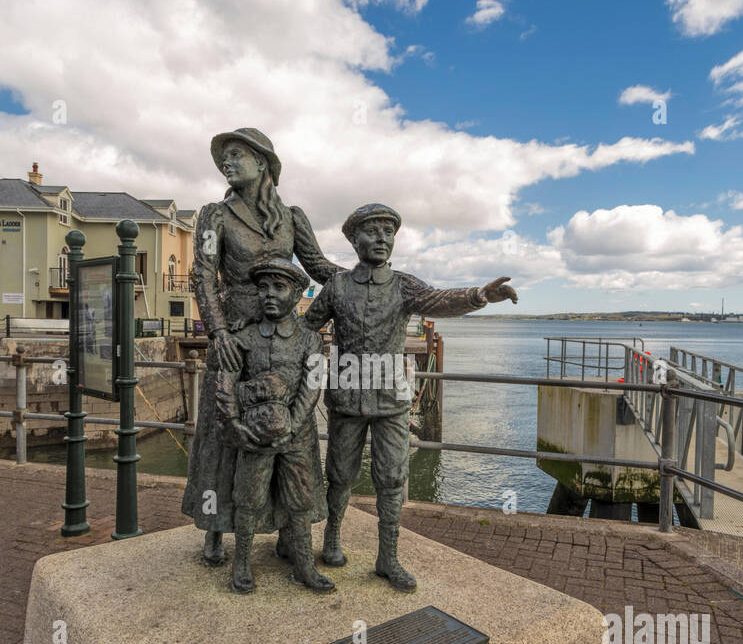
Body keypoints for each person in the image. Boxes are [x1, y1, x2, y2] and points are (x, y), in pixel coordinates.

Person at [303, 203, 518, 590]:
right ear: (354, 240)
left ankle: (388, 557)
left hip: (390, 401)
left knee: (391, 477)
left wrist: (479, 295)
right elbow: (306, 328)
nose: (382, 238)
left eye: (389, 231)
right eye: (372, 231)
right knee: (339, 476)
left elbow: (439, 300)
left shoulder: (403, 285)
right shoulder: (336, 287)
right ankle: (331, 539)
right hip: (347, 400)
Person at [181, 128, 339, 564]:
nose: (226, 163)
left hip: (284, 336)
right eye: (223, 158)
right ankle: (214, 525)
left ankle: (292, 528)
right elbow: (203, 274)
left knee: (291, 430)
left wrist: (365, 277)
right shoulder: (215, 215)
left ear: (263, 162)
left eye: (236, 155)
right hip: (234, 335)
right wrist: (218, 333)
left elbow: (320, 266)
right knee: (222, 435)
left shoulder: (292, 217)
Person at [216, 257, 333, 595]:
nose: (269, 294)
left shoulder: (309, 340)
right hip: (252, 434)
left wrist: (291, 427)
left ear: (297, 294)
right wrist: (236, 425)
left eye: (279, 287)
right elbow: (226, 382)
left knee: (300, 498)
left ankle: (303, 564)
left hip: (297, 435)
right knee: (247, 497)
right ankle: (242, 563)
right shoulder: (244, 336)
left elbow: (312, 387)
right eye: (263, 287)